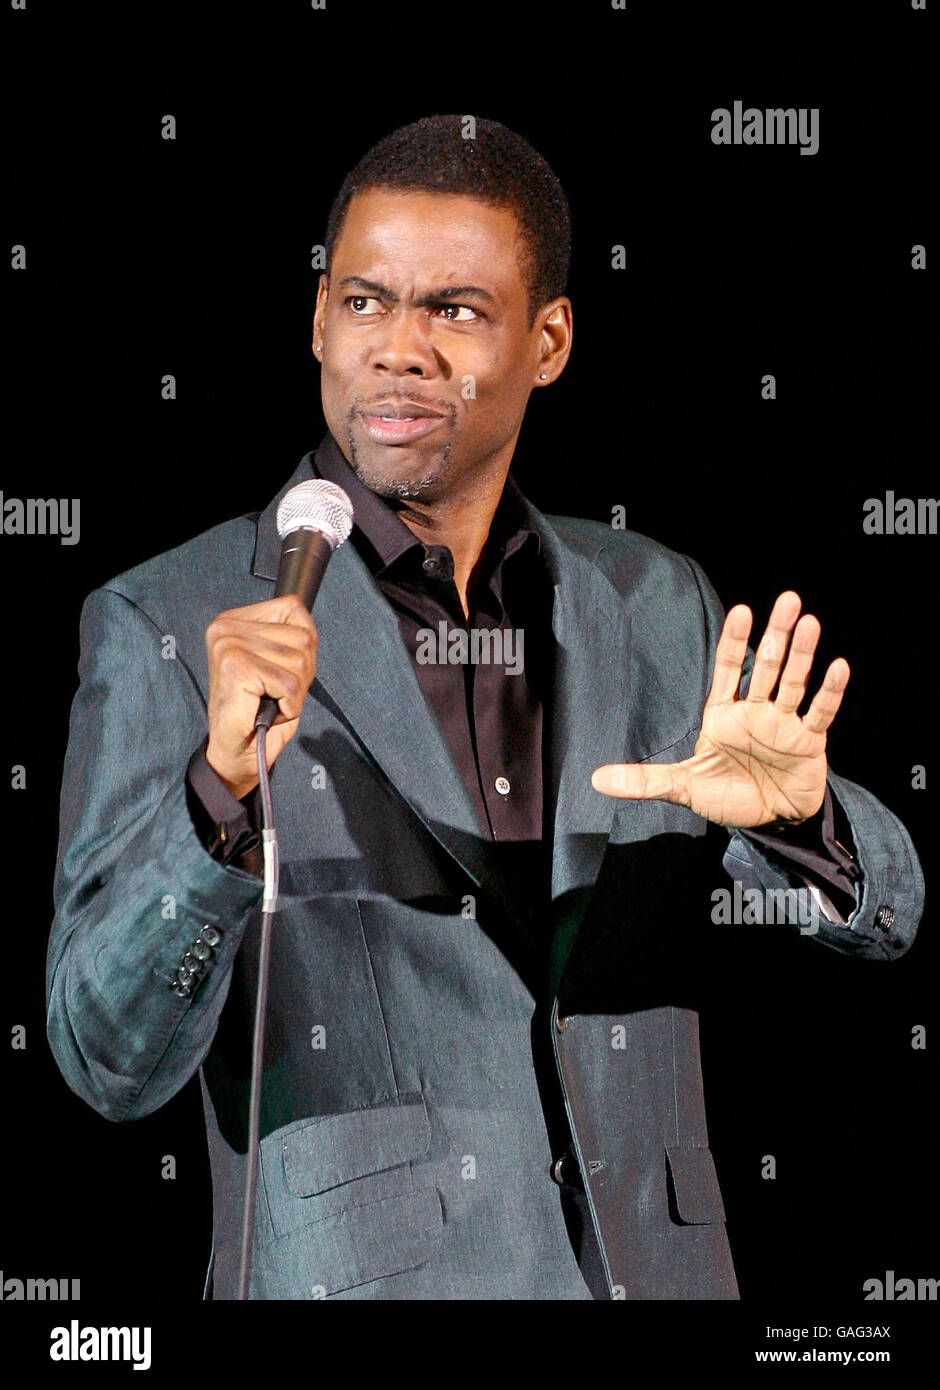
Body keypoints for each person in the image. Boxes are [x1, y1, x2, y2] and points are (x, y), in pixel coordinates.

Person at [46, 115, 923, 1301]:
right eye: (363, 303)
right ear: (317, 321)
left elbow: (888, 919)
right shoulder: (169, 619)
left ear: (549, 338)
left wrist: (798, 819)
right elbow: (105, 1057)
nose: (397, 350)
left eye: (452, 310)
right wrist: (216, 809)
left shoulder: (652, 598)